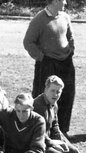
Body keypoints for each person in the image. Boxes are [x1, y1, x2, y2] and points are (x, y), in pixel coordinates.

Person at [23, 0, 76, 133]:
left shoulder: (65, 17)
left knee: (67, 95)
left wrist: (71, 50)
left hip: (66, 63)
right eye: (62, 0)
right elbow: (28, 42)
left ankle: (62, 131)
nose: (65, 2)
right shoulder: (39, 19)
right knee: (44, 96)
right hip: (48, 64)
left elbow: (70, 36)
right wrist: (42, 58)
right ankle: (40, 130)